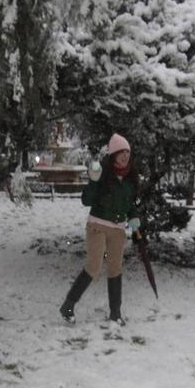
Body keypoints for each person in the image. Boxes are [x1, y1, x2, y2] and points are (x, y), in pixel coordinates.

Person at [59, 133, 140, 326]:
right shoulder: (102, 173)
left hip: (118, 229)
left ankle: (115, 313)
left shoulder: (130, 177)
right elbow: (86, 200)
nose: (125, 156)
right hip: (98, 225)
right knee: (94, 267)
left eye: (127, 152)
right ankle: (68, 305)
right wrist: (93, 181)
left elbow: (130, 203)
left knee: (115, 268)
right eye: (121, 152)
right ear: (113, 154)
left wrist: (134, 216)